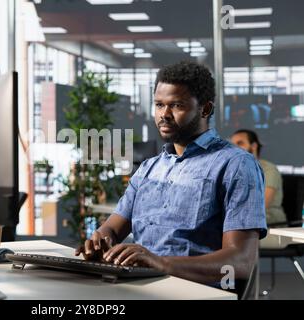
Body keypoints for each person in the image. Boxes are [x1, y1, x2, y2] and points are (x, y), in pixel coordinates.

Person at [75, 61, 267, 288]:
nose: (164, 114)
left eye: (176, 105)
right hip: (140, 287)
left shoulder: (236, 165)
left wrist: (161, 263)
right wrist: (99, 242)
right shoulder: (149, 168)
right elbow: (111, 229)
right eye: (159, 105)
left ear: (205, 109)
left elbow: (240, 263)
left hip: (194, 291)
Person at [230, 129, 286, 225]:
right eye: (232, 144)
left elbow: (261, 206)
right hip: (240, 224)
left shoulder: (269, 169)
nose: (234, 148)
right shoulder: (233, 171)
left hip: (270, 226)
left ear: (254, 146)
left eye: (240, 143)